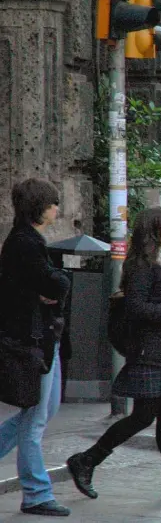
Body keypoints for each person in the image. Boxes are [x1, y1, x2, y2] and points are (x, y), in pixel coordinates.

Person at [66, 207, 161, 502]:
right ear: (154, 231)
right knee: (143, 416)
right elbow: (136, 309)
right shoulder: (143, 265)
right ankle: (86, 460)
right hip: (149, 350)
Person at [0, 179, 72, 517]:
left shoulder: (26, 242)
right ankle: (37, 492)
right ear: (40, 208)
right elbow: (54, 282)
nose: (57, 209)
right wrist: (52, 286)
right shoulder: (25, 243)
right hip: (32, 340)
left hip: (42, 337)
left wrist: (49, 288)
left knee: (46, 408)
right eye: (53, 203)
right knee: (35, 419)